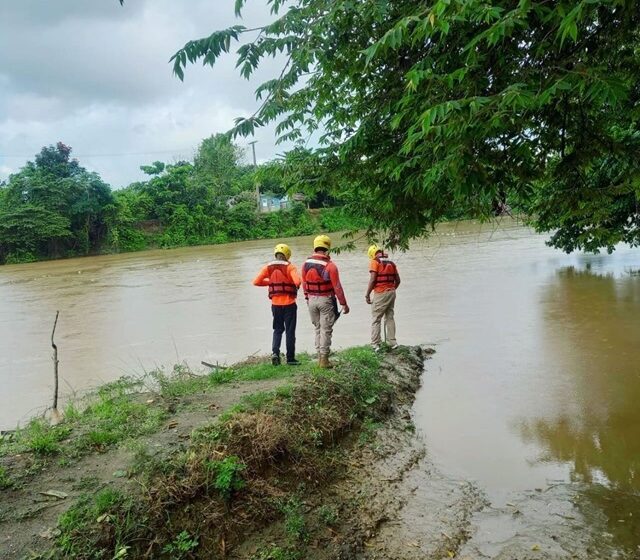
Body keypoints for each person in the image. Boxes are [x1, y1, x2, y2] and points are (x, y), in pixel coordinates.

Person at [301, 234, 349, 368]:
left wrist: (307, 298)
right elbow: (337, 287)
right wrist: (344, 304)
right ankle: (324, 360)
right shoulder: (330, 266)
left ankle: (319, 357)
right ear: (327, 248)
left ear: (315, 247)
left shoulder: (305, 264)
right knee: (326, 330)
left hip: (311, 300)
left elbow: (304, 284)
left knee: (317, 328)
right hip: (325, 300)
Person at [253, 243, 301, 366]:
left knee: (277, 330)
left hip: (275, 305)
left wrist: (271, 283)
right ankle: (290, 359)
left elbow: (256, 282)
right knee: (290, 331)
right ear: (287, 255)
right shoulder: (290, 267)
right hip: (289, 304)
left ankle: (275, 353)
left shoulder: (267, 267)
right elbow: (297, 281)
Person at [365, 244, 400, 351]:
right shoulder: (391, 262)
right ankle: (392, 342)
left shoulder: (374, 262)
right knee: (390, 317)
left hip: (380, 292)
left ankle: (375, 344)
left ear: (372, 254)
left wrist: (367, 294)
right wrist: (391, 289)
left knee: (376, 318)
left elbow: (373, 279)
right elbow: (398, 280)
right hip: (392, 292)